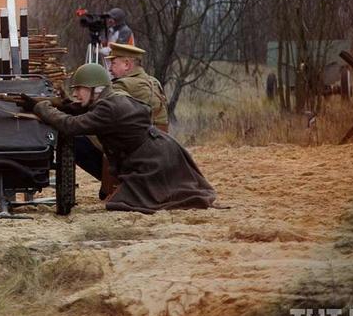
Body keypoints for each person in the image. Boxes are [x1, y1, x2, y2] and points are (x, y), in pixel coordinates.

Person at [16, 63, 215, 213]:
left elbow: (71, 125)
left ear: (95, 89)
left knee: (127, 203)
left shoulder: (108, 108)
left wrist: (41, 108)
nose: (75, 93)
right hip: (156, 152)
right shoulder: (110, 99)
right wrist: (54, 104)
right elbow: (78, 109)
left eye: (80, 89)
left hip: (154, 160)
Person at [106, 43, 168, 131]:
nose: (110, 69)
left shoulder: (123, 84)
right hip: (162, 139)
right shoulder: (153, 81)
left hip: (140, 140)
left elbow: (103, 111)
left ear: (126, 65)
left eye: (113, 63)